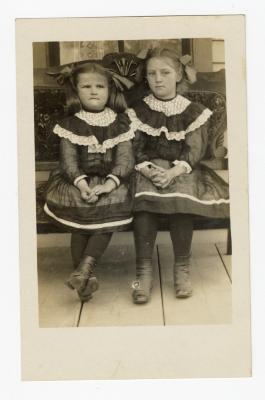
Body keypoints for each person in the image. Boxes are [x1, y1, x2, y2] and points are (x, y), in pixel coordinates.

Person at [127, 47, 230, 304]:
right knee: (144, 203)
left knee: (181, 202)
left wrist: (172, 172)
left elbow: (194, 150)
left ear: (178, 75)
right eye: (151, 74)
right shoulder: (138, 110)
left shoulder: (193, 111)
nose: (158, 79)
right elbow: (134, 147)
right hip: (147, 168)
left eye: (165, 72)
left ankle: (181, 269)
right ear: (146, 78)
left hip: (181, 167)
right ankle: (143, 272)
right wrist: (150, 171)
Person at [44, 62, 135, 302]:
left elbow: (126, 159)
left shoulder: (121, 123)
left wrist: (108, 184)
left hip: (111, 182)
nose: (94, 91)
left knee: (106, 213)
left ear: (109, 90)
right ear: (76, 92)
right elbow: (68, 162)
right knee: (81, 219)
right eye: (86, 86)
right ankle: (84, 278)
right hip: (77, 182)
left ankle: (84, 270)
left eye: (100, 86)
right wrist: (83, 185)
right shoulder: (70, 125)